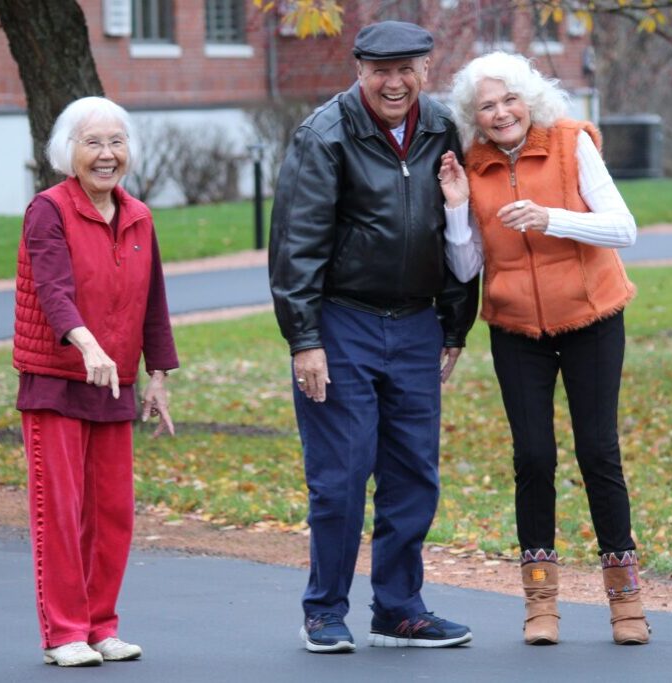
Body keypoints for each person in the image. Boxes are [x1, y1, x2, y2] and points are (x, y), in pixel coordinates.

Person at [269, 21, 479, 654]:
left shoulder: (442, 127)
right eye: (380, 71)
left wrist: (453, 323)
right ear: (358, 70)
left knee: (414, 472)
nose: (395, 82)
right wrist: (305, 340)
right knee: (340, 475)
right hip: (342, 323)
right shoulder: (325, 135)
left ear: (424, 70)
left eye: (407, 69)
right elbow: (295, 247)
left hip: (416, 324)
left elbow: (459, 227)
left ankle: (399, 608)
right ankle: (325, 610)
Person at [437, 51, 649, 646]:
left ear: (530, 98)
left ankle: (626, 602)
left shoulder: (568, 142)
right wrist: (457, 210)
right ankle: (540, 605)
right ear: (473, 117)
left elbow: (623, 228)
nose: (501, 112)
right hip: (516, 328)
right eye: (487, 105)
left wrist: (553, 218)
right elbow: (465, 267)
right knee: (532, 458)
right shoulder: (472, 168)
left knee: (597, 453)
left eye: (510, 99)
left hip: (591, 317)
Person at [12, 96, 178, 666]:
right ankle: (64, 633)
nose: (106, 155)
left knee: (112, 514)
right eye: (93, 143)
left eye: (116, 143)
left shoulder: (138, 216)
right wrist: (86, 345)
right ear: (68, 152)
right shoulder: (48, 210)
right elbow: (52, 289)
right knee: (60, 511)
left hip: (113, 385)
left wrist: (156, 377)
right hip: (57, 380)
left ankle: (100, 625)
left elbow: (153, 302)